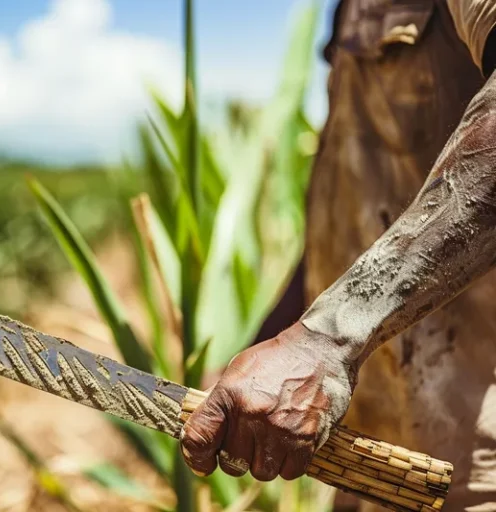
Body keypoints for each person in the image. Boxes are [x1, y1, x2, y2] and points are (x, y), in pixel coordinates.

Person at [179, 1, 496, 510]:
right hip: (370, 462)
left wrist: (324, 342)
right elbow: (353, 211)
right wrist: (271, 342)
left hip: (473, 473)